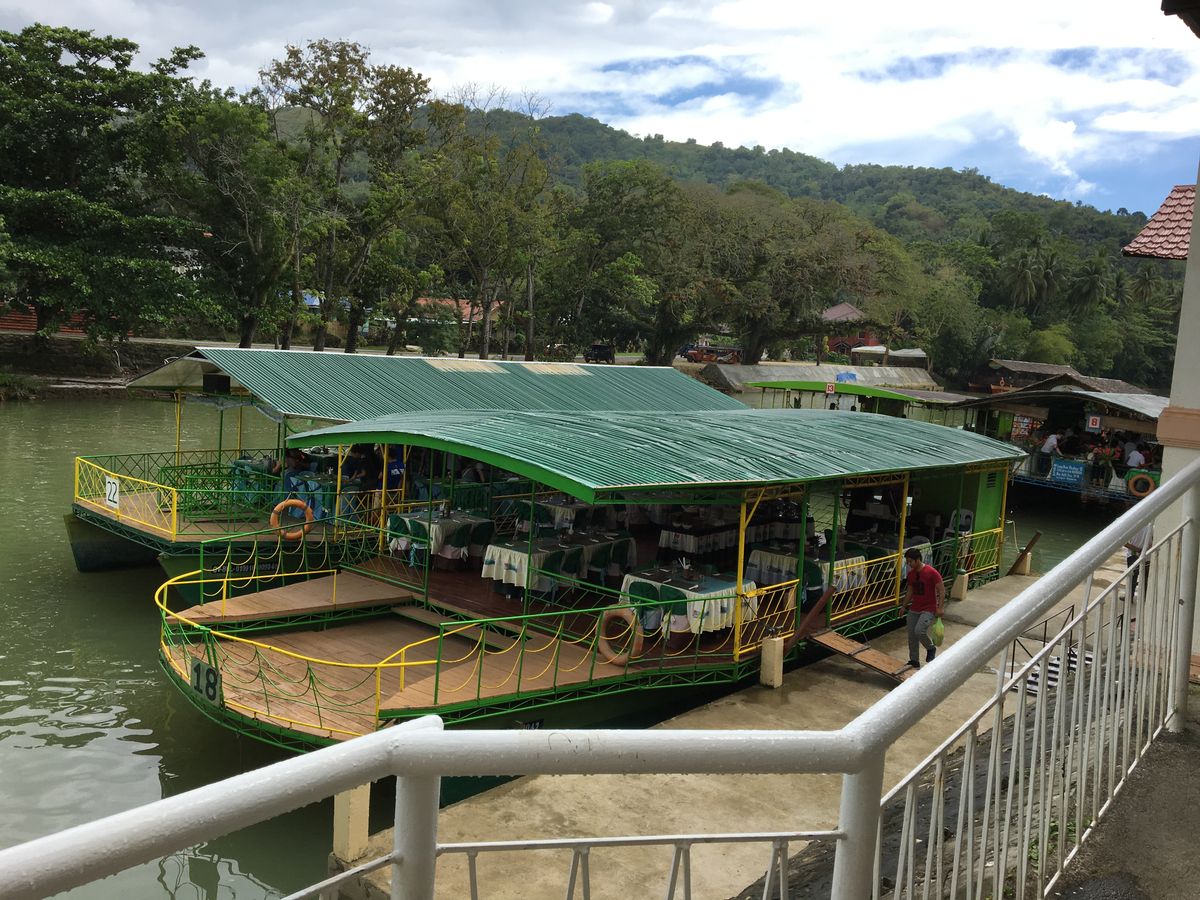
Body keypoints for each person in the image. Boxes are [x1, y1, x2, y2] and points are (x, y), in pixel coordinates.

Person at [901, 547, 945, 668]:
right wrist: (903, 606)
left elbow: (941, 590)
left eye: (910, 561)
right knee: (911, 635)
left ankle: (930, 648)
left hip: (928, 608)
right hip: (915, 607)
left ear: (918, 560)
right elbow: (910, 591)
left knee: (919, 631)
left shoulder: (931, 572)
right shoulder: (911, 574)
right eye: (907, 562)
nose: (909, 564)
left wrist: (940, 608)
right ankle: (914, 660)